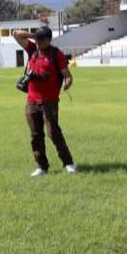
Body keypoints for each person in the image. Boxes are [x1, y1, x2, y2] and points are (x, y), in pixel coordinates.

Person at [12, 26, 77, 177]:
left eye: (42, 40)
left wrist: (67, 82)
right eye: (37, 39)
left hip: (50, 100)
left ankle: (68, 163)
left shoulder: (56, 54)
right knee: (35, 134)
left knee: (53, 133)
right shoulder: (32, 49)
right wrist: (33, 35)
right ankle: (42, 166)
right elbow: (15, 34)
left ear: (49, 40)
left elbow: (67, 75)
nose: (38, 42)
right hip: (32, 100)